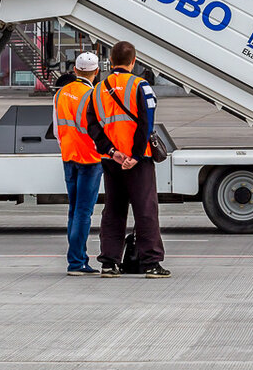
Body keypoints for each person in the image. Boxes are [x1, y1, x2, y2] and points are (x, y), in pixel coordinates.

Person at [86, 41, 169, 279]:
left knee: (113, 211)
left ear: (110, 62)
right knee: (145, 210)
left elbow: (93, 126)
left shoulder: (98, 89)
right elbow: (146, 124)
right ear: (133, 61)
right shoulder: (140, 86)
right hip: (138, 160)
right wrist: (133, 155)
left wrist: (112, 152)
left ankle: (109, 263)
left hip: (111, 161)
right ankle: (151, 263)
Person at [55, 52, 104, 275]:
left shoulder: (61, 94)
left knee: (73, 210)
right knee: (84, 212)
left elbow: (57, 130)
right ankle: (76, 262)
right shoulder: (92, 95)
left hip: (68, 156)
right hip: (90, 159)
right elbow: (99, 130)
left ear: (75, 70)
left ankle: (78, 259)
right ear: (96, 72)